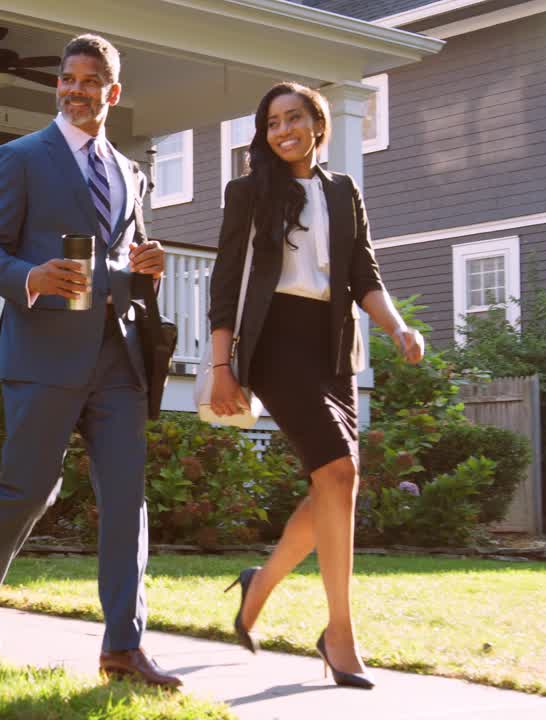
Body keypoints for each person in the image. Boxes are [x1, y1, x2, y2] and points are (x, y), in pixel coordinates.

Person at [0, 33, 181, 689]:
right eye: (67, 79)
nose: (76, 90)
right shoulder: (20, 158)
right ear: (59, 85)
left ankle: (122, 648)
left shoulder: (132, 173)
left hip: (119, 359)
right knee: (29, 488)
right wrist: (33, 277)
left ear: (112, 93)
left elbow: (126, 264)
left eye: (90, 82)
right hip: (42, 351)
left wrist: (150, 270)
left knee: (126, 499)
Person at [207, 82, 425, 690]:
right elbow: (226, 284)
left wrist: (398, 328)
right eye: (272, 122)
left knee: (338, 482)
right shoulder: (248, 193)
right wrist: (224, 367)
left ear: (317, 125)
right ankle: (340, 635)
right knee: (337, 474)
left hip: (333, 348)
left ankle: (263, 582)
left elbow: (364, 274)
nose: (283, 131)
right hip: (275, 344)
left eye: (294, 118)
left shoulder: (342, 190)